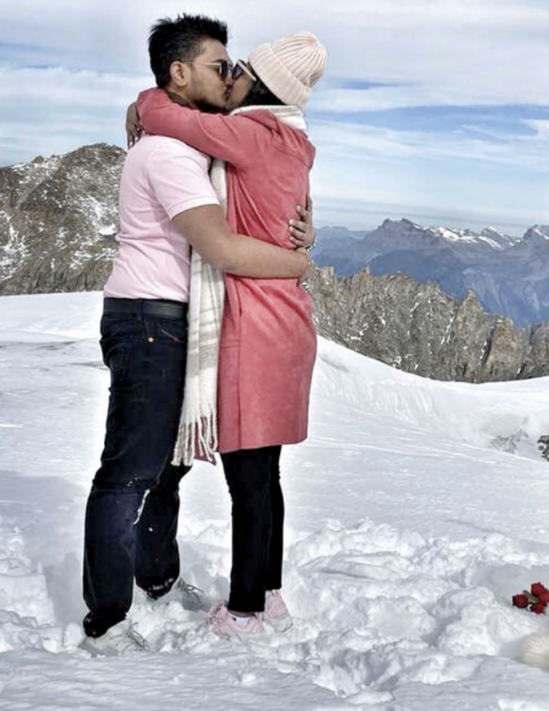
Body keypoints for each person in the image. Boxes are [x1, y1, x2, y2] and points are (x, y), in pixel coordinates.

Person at [81, 14, 314, 655]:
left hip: (175, 321)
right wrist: (297, 261)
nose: (230, 75)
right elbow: (221, 247)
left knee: (169, 468)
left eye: (237, 67)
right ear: (180, 73)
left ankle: (156, 577)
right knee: (131, 472)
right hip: (149, 320)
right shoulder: (168, 151)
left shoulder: (205, 143)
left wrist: (144, 101)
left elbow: (268, 183)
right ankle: (106, 619)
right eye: (220, 65)